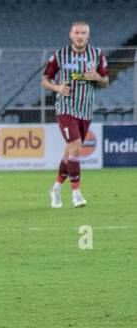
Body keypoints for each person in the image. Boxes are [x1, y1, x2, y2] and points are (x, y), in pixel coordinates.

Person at [42, 20, 107, 208]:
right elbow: (45, 80)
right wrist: (57, 87)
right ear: (71, 34)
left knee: (70, 151)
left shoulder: (97, 55)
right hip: (65, 107)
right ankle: (76, 193)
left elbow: (105, 82)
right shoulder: (60, 55)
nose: (80, 36)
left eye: (83, 33)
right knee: (76, 146)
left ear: (88, 35)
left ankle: (55, 189)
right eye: (77, 33)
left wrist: (97, 78)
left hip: (85, 109)